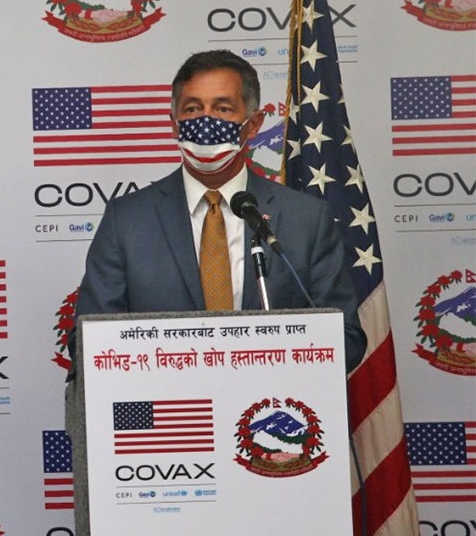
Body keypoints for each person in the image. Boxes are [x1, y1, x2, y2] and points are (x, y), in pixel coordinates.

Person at [74, 50, 367, 371]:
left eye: (223, 108)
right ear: (173, 125)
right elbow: (88, 342)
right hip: (170, 399)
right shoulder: (127, 221)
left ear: (253, 124)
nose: (206, 121)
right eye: (192, 109)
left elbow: (346, 339)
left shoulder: (306, 219)